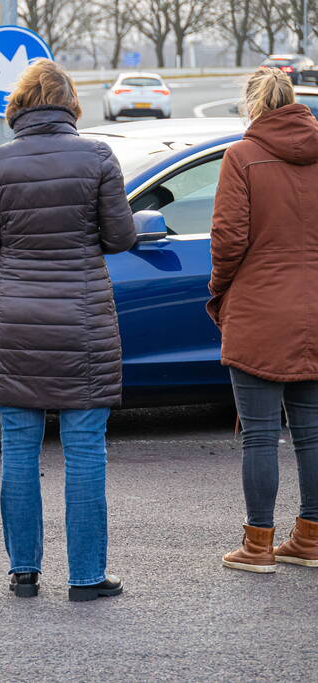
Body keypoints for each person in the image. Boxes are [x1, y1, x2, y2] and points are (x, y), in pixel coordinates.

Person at [0, 59, 137, 601]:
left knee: (19, 447)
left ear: (19, 106)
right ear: (70, 107)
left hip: (16, 320)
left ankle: (23, 572)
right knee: (84, 448)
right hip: (81, 321)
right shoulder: (97, 157)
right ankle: (87, 578)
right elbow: (120, 237)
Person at [210, 67, 318, 573]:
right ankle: (311, 537)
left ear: (252, 106)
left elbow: (229, 240)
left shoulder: (242, 156)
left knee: (259, 434)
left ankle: (257, 546)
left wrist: (219, 291)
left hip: (260, 310)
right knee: (312, 434)